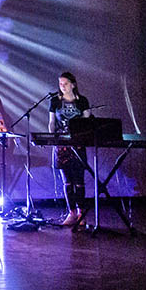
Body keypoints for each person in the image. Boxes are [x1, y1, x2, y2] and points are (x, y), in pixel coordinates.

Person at [48, 71, 91, 227]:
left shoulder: (82, 101)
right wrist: (52, 137)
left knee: (79, 180)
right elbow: (52, 122)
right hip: (62, 144)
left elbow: (88, 121)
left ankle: (81, 214)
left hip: (78, 143)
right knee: (67, 180)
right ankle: (71, 213)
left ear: (73, 84)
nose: (62, 86)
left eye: (65, 83)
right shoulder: (55, 101)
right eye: (60, 84)